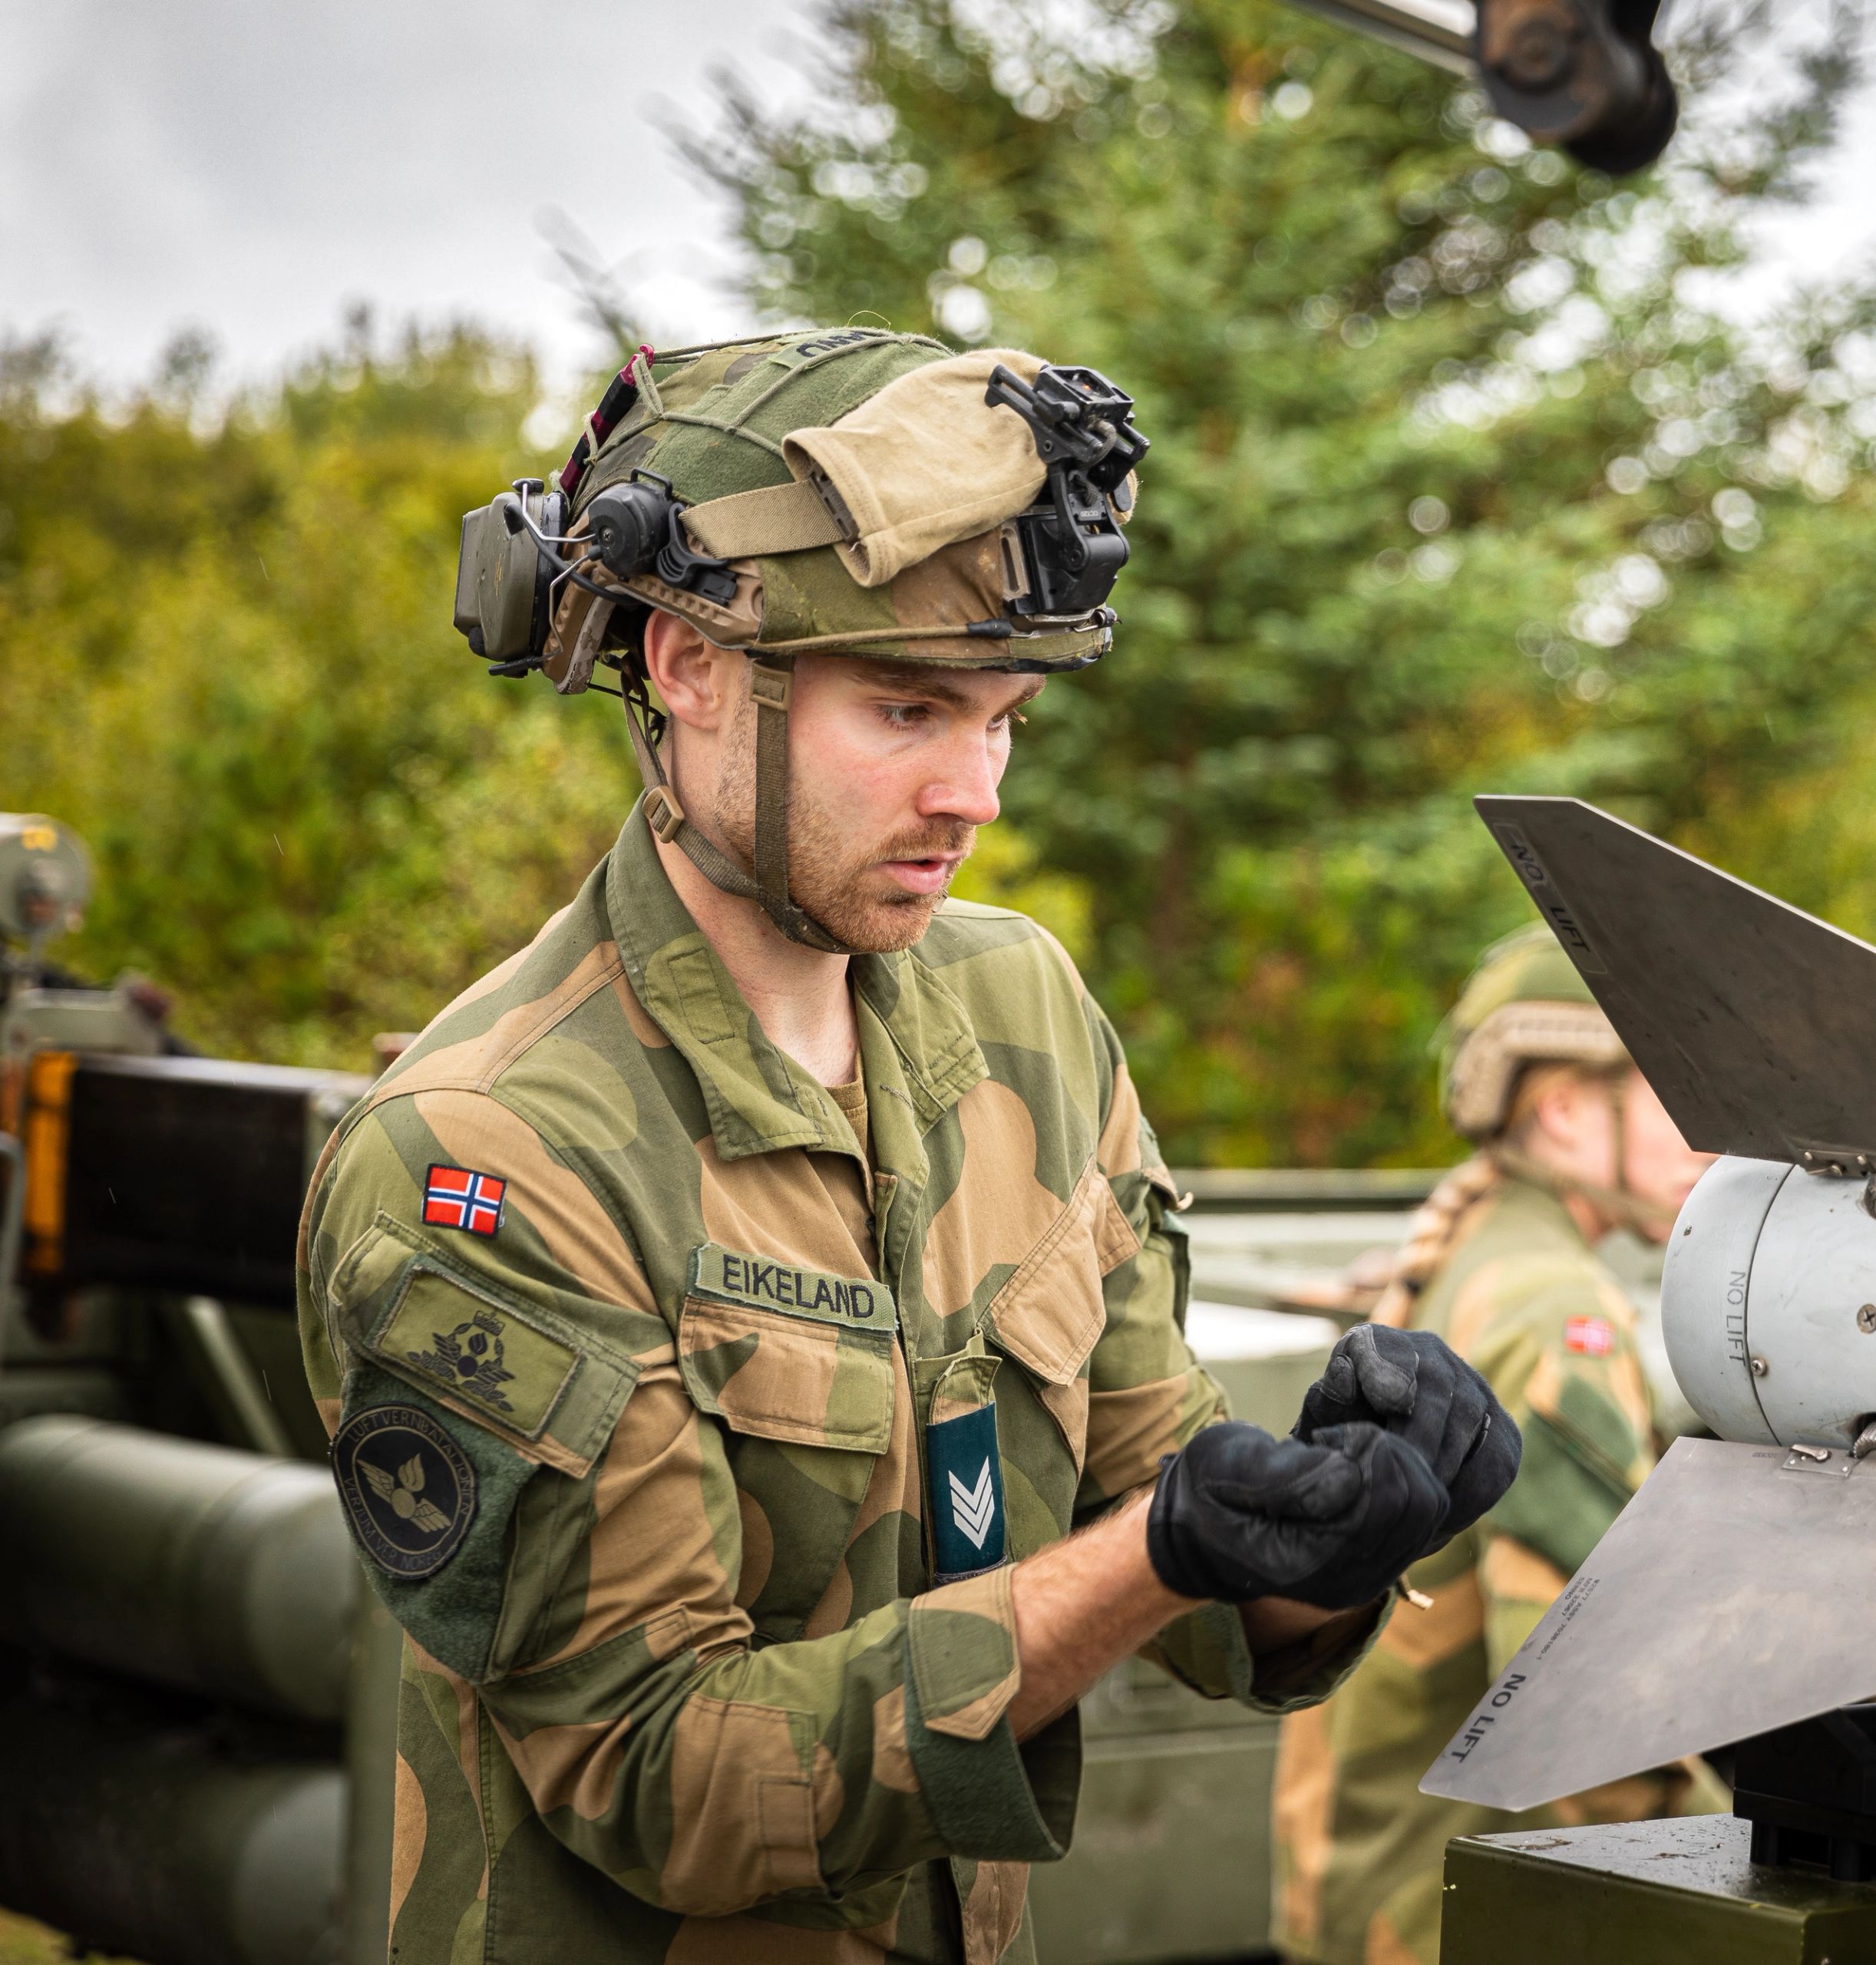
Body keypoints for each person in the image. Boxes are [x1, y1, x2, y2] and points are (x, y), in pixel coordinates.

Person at [294, 329, 1512, 1965]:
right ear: (683, 664)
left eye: (1005, 715)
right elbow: (663, 1774)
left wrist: (1334, 1536)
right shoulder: (492, 1160)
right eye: (907, 707)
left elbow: (1176, 1536)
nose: (974, 791)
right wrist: (1160, 1553)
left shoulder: (1023, 1014)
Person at [1270, 923, 1722, 1965]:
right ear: (1563, 1112)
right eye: (1679, 1098)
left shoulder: (1473, 1260)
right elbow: (1583, 1710)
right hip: (1455, 1913)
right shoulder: (1553, 1311)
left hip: (1377, 1885)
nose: (1714, 1137)